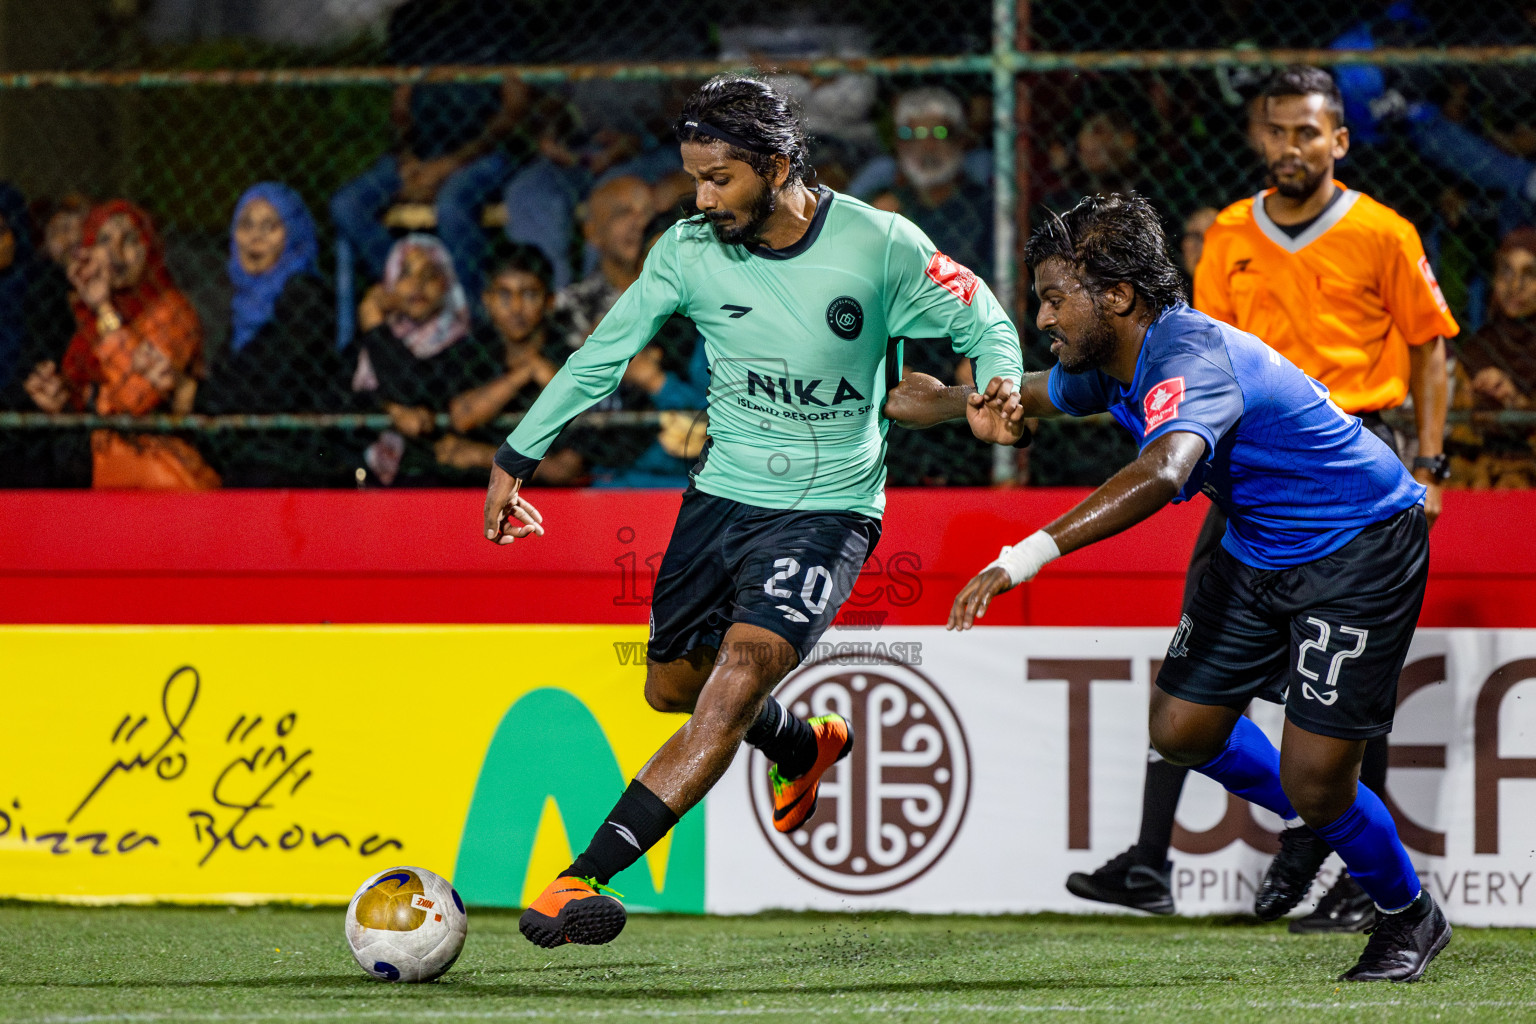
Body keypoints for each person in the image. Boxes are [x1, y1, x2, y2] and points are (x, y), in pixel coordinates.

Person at [480, 75, 1024, 949]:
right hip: (720, 496)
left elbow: (985, 321)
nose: (701, 199)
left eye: (719, 179)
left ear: (776, 167)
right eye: (695, 178)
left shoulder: (878, 243)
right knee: (673, 689)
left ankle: (582, 876)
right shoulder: (688, 250)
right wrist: (516, 459)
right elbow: (601, 357)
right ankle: (802, 748)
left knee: (732, 687)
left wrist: (995, 387)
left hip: (829, 509)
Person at [893, 192, 1450, 983]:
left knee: (1319, 780)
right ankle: (1322, 821)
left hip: (1358, 546)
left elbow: (1162, 472)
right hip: (1257, 547)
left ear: (1118, 296)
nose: (1042, 319)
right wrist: (943, 403)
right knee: (1183, 728)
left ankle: (1408, 915)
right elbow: (1033, 395)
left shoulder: (1192, 357)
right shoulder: (1116, 361)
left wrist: (1023, 556)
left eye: (1054, 299)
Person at [1064, 66, 1459, 932]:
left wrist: (1430, 462)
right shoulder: (1232, 230)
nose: (1290, 146)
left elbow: (1431, 346)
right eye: (1276, 130)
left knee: (1340, 691)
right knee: (1192, 674)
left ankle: (1349, 864)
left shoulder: (1384, 232)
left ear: (1339, 140)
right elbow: (1192, 349)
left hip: (1348, 458)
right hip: (1239, 458)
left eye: (1307, 131)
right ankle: (1155, 858)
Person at [328, 0, 529, 299]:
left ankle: (468, 312)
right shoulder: (411, 18)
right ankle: (412, 294)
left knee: (452, 206)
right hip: (421, 155)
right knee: (347, 205)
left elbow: (514, 108)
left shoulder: (499, 14)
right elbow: (401, 107)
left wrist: (449, 166)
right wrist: (407, 160)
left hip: (485, 153)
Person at [24, 200, 217, 490]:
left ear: (148, 248)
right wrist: (59, 402)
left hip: (153, 481)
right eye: (104, 240)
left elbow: (134, 398)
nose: (115, 252)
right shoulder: (84, 317)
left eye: (129, 240)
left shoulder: (173, 311)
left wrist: (104, 310)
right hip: (99, 472)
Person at [196, 183, 341, 486]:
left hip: (297, 459)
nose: (255, 237)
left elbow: (268, 384)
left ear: (294, 234)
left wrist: (200, 395)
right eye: (246, 225)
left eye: (270, 226)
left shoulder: (305, 296)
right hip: (251, 453)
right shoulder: (243, 306)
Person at [433, 242, 568, 478]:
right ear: (487, 300)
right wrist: (526, 372)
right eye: (504, 294)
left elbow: (565, 469)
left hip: (549, 495)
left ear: (550, 301)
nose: (516, 308)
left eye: (529, 294)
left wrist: (482, 455)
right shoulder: (472, 352)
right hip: (474, 488)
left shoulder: (569, 356)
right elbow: (462, 417)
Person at [347, 233, 471, 486]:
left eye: (429, 275)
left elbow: (413, 390)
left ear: (445, 282)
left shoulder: (463, 343)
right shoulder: (367, 343)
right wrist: (391, 410)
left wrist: (375, 327)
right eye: (405, 274)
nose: (417, 285)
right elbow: (342, 398)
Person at [870, 87, 993, 279]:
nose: (927, 146)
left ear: (961, 140)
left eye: (940, 133)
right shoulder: (883, 204)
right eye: (913, 134)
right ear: (899, 144)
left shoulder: (987, 208)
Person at [1447, 226, 1536, 488]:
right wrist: (1471, 399)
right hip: (1477, 468)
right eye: (1506, 272)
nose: (1514, 286)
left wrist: (1516, 402)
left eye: (1529, 274)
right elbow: (1458, 437)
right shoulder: (1477, 348)